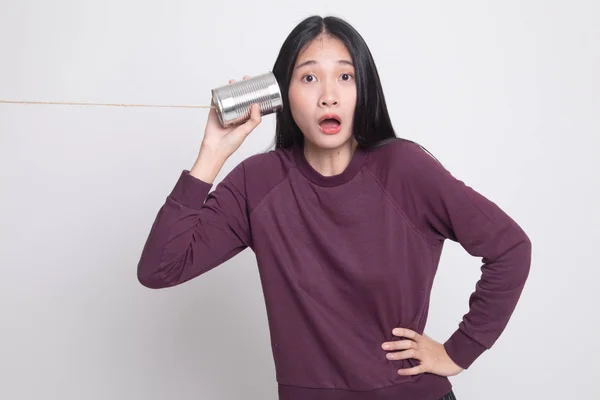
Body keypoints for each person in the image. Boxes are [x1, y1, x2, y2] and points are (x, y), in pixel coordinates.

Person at [137, 15, 532, 400]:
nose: (329, 95)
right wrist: (212, 153)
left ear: (364, 90)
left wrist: (457, 352)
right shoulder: (256, 183)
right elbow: (161, 269)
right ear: (281, 94)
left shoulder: (405, 170)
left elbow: (510, 248)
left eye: (345, 77)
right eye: (309, 78)